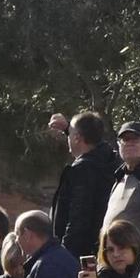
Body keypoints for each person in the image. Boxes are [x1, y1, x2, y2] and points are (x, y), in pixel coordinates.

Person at [47, 110, 119, 259]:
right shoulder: (111, 160)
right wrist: (69, 129)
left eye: (71, 135)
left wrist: (65, 256)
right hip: (103, 247)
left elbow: (78, 218)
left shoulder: (82, 170)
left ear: (77, 138)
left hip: (80, 254)